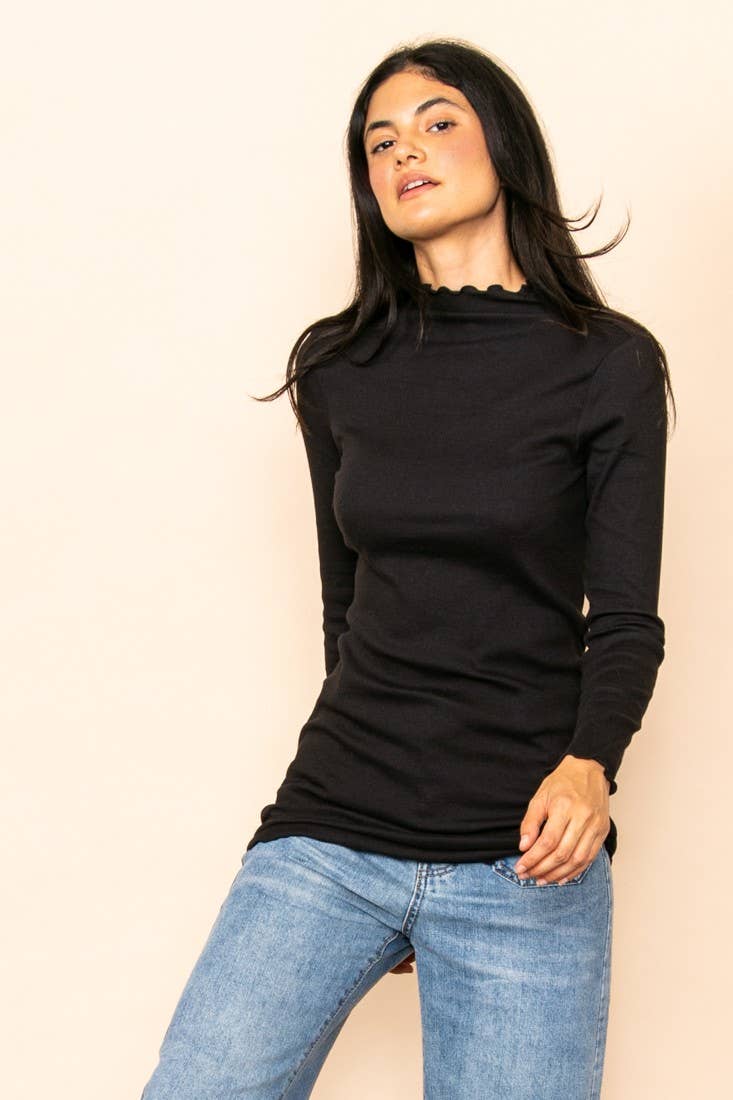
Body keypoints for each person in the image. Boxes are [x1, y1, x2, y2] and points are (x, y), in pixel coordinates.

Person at [140, 37, 674, 1100]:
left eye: (436, 123)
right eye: (378, 143)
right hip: (335, 827)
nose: (403, 153)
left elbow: (623, 617)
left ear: (503, 146)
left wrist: (590, 764)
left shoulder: (605, 361)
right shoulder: (337, 364)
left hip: (525, 853)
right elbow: (345, 609)